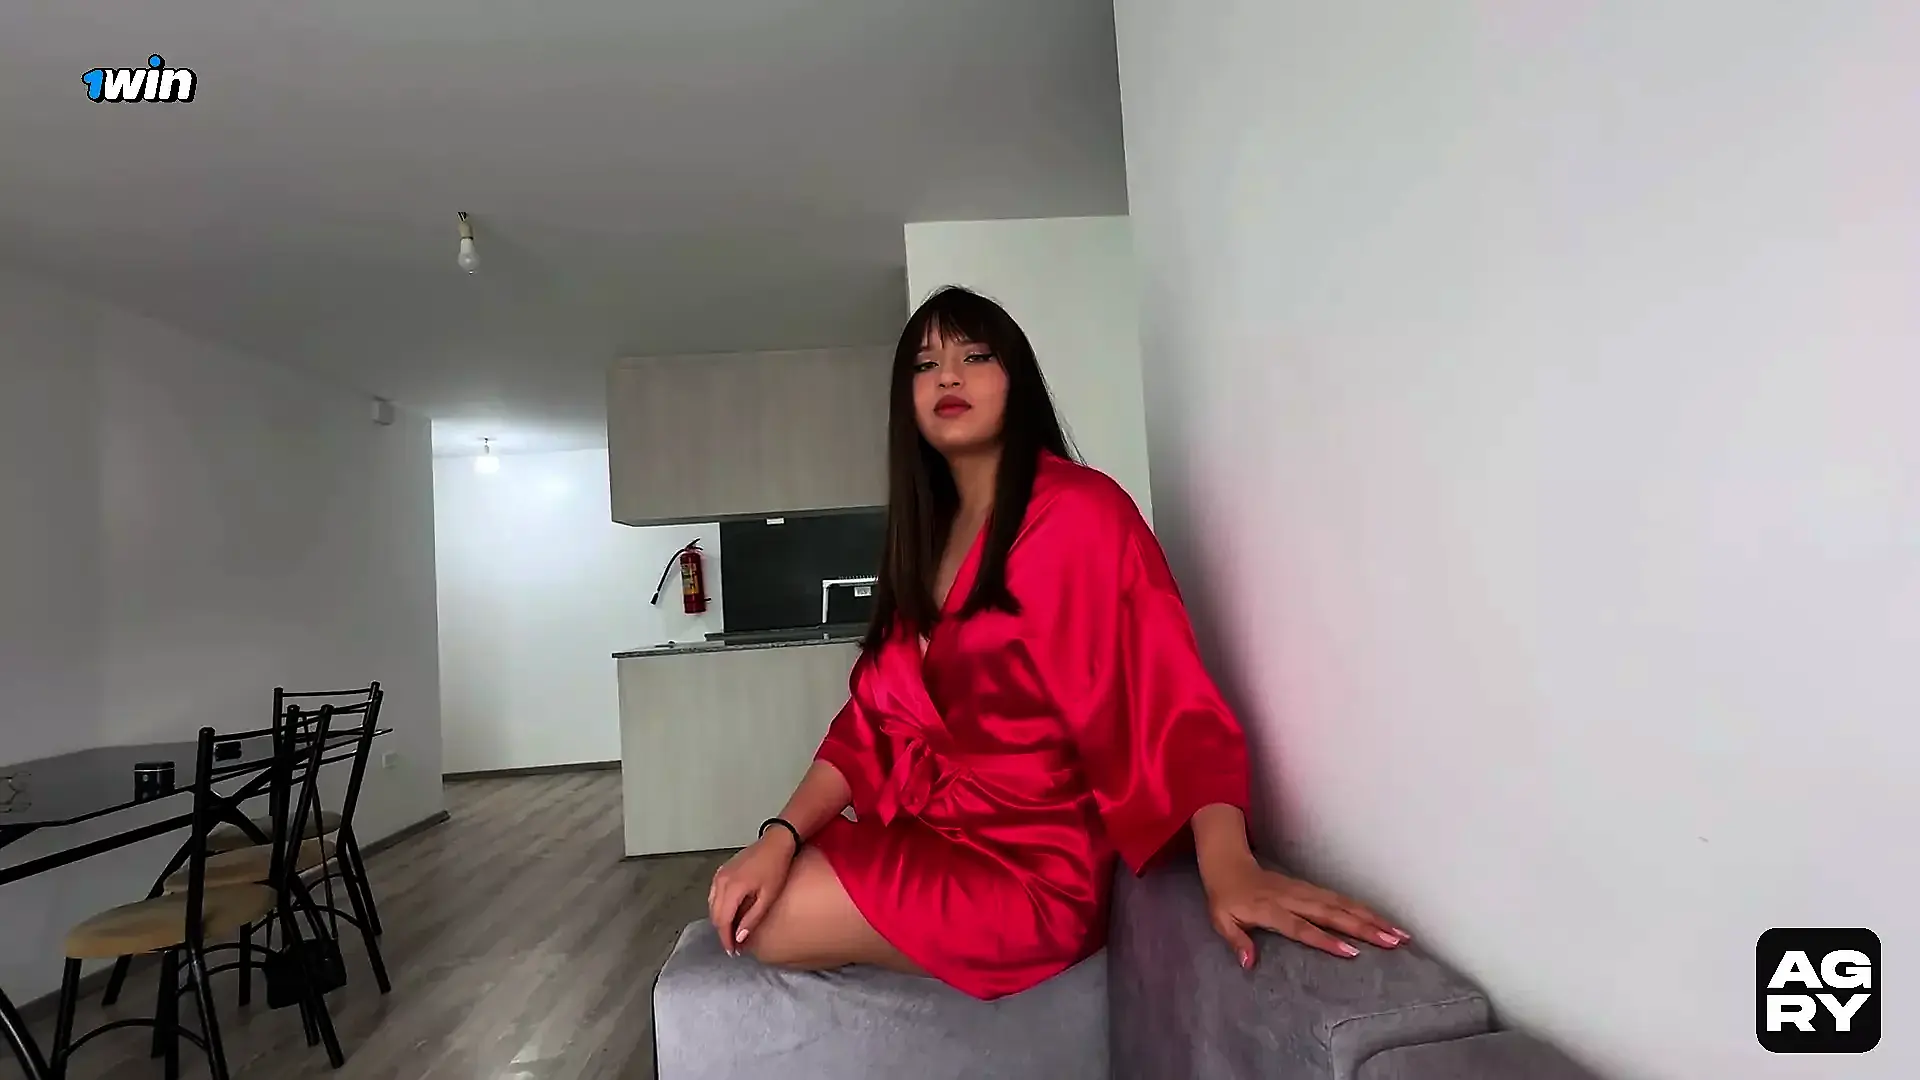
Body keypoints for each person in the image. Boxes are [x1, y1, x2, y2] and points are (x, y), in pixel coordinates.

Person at [707, 285, 1408, 1001]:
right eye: (924, 365)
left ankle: (968, 952)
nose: (948, 377)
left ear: (1017, 380)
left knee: (772, 923)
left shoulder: (1083, 513)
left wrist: (1230, 864)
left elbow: (1169, 696)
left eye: (976, 356)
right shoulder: (923, 540)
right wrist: (779, 835)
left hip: (1034, 866)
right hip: (935, 835)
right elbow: (867, 728)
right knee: (753, 892)